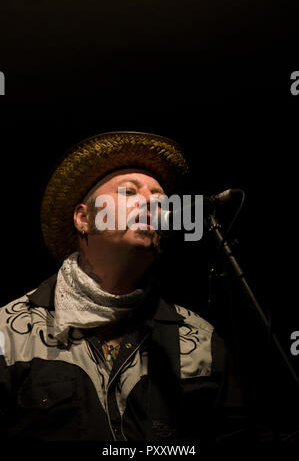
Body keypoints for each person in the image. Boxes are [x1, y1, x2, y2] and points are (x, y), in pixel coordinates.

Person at [0, 131, 251, 448]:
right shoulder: (8, 332)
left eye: (159, 198)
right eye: (129, 191)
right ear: (83, 218)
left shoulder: (200, 339)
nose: (152, 203)